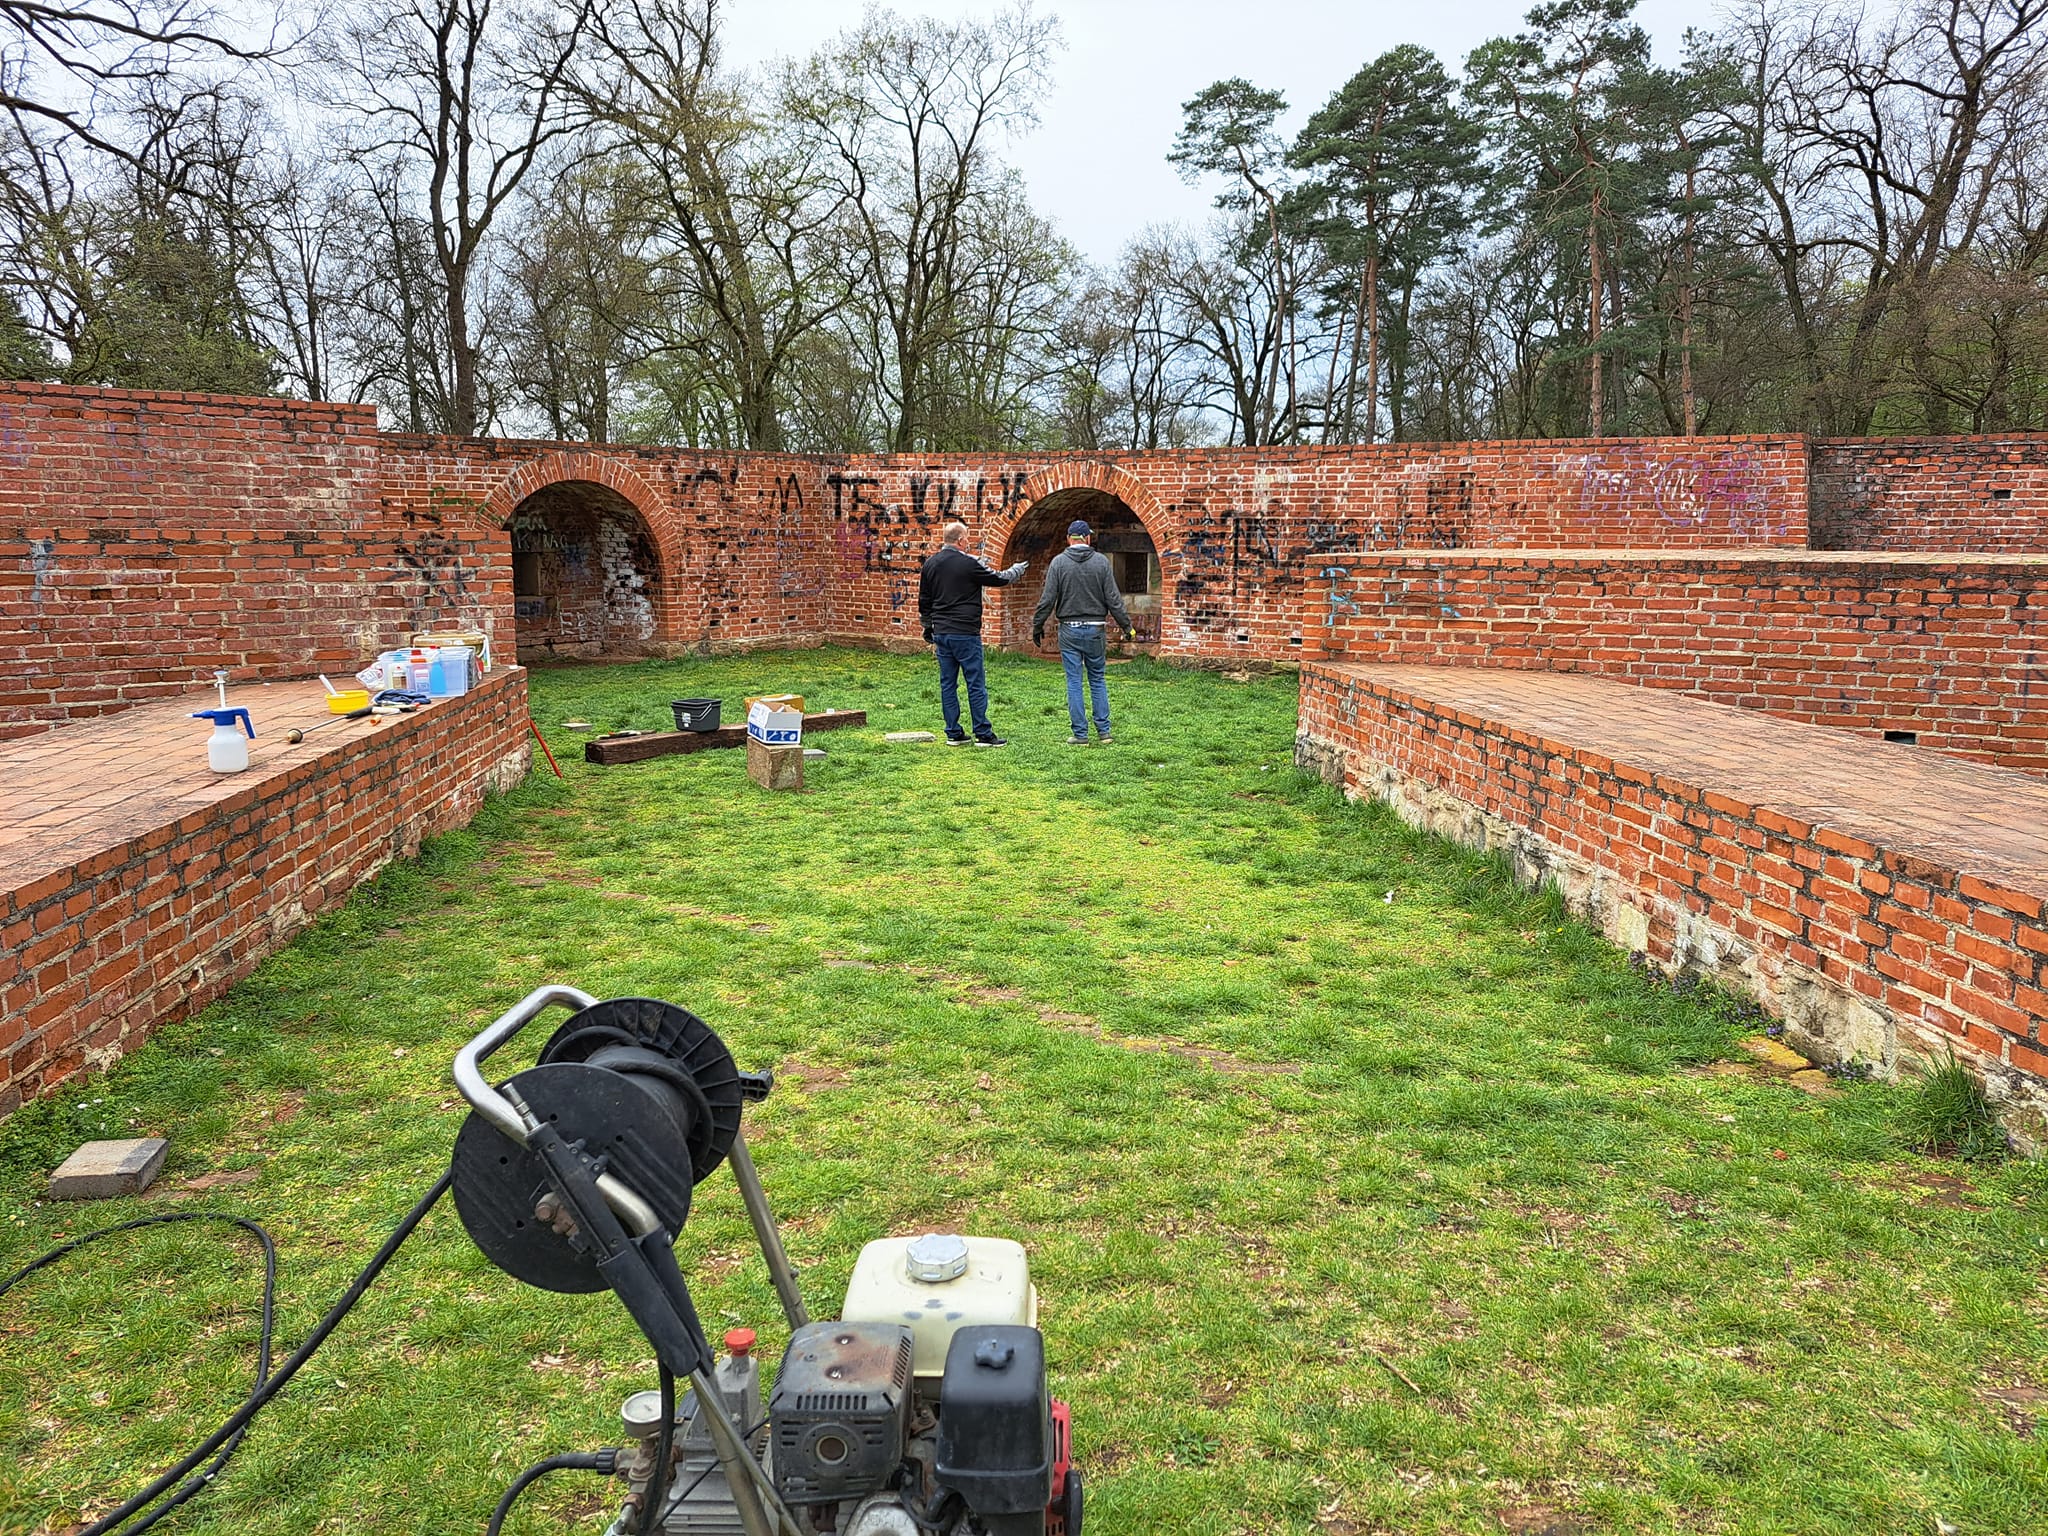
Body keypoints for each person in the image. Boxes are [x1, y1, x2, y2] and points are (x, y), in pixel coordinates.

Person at [918, 522, 1027, 746]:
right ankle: (983, 733)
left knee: (948, 683)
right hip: (965, 632)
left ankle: (953, 732)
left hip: (942, 631)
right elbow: (999, 579)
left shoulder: (930, 563)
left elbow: (924, 600)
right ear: (960, 540)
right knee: (975, 682)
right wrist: (1017, 569)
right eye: (966, 538)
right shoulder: (968, 563)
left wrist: (928, 627)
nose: (968, 542)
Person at [1030, 520, 1135, 745]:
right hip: (1096, 628)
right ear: (1087, 538)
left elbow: (1047, 600)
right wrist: (1127, 626)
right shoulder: (1101, 563)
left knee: (1074, 681)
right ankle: (1104, 732)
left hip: (1069, 629)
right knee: (1097, 679)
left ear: (1069, 539)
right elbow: (1113, 599)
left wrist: (1037, 626)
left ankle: (1080, 735)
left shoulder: (1058, 563)